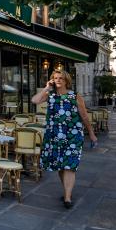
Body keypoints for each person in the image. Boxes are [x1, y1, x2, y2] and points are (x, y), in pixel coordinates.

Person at [31, 70, 97, 209]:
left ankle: (67, 198)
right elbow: (35, 100)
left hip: (72, 136)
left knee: (69, 166)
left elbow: (84, 116)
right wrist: (46, 87)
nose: (58, 80)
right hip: (54, 136)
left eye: (61, 78)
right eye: (55, 78)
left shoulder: (75, 96)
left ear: (66, 81)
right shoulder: (50, 95)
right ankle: (67, 191)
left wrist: (91, 133)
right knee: (61, 166)